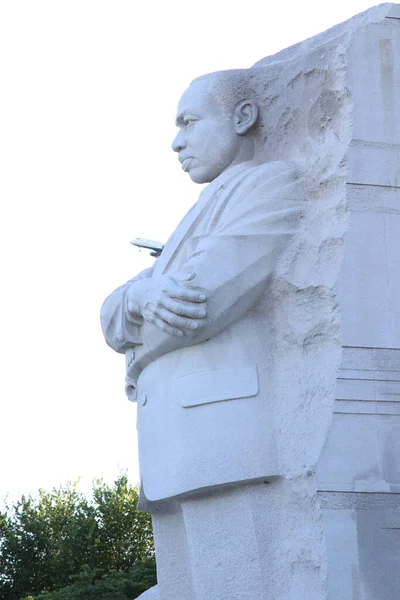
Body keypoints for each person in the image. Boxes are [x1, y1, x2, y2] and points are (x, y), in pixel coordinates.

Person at [101, 71, 323, 600]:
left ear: (243, 118)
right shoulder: (200, 210)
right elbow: (109, 313)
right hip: (174, 449)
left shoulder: (269, 183)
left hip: (222, 442)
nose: (176, 141)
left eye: (189, 122)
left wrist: (134, 320)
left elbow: (200, 303)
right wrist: (135, 299)